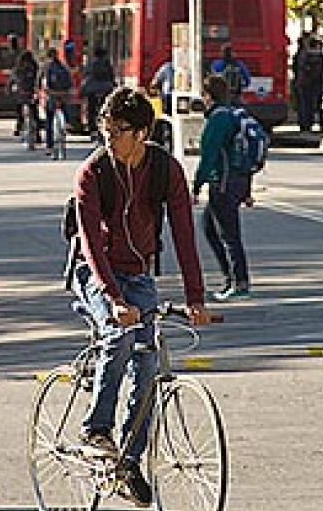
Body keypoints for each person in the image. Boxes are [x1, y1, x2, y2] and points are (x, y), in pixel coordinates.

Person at [72, 87, 211, 505]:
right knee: (119, 335)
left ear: (144, 132)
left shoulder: (164, 170)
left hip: (139, 275)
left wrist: (195, 297)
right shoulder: (92, 174)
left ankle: (129, 460)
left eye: (119, 131)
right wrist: (114, 300)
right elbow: (92, 247)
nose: (110, 139)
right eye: (105, 130)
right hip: (95, 274)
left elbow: (185, 235)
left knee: (147, 363)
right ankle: (97, 431)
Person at [191, 75, 255, 301]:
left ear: (208, 96)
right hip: (237, 181)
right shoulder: (233, 115)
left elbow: (208, 156)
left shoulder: (218, 120)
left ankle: (239, 282)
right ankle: (231, 278)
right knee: (210, 227)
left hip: (224, 183)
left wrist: (196, 186)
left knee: (229, 234)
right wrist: (247, 191)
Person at [293, 35, 323, 133]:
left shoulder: (302, 54)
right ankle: (320, 125)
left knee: (304, 104)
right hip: (317, 83)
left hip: (303, 83)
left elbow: (298, 68)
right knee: (318, 104)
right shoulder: (320, 56)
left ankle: (305, 125)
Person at [41, 48, 72, 154]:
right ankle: (67, 122)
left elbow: (41, 81)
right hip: (63, 94)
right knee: (64, 107)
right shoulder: (63, 67)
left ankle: (49, 146)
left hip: (52, 94)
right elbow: (69, 82)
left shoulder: (46, 67)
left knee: (49, 120)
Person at [81, 46, 117, 139]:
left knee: (91, 110)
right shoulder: (107, 63)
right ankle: (103, 128)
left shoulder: (90, 63)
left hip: (92, 90)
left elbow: (85, 75)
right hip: (105, 89)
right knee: (104, 110)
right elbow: (111, 76)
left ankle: (92, 129)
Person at [10, 50, 41, 146]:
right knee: (34, 114)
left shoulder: (18, 68)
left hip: (21, 93)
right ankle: (37, 134)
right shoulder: (34, 67)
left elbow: (12, 79)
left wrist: (10, 89)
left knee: (19, 111)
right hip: (31, 92)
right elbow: (38, 80)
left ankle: (18, 128)